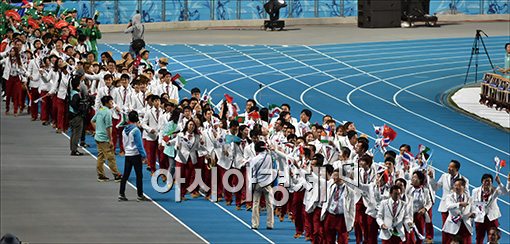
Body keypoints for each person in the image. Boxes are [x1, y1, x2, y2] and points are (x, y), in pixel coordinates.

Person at [119, 110, 149, 202]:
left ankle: (121, 194)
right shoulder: (136, 131)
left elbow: (123, 143)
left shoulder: (124, 130)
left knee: (125, 175)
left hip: (128, 154)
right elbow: (139, 145)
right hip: (135, 155)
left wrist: (126, 150)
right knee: (139, 175)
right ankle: (140, 195)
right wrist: (144, 156)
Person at [91, 95, 122, 182]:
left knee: (101, 156)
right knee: (110, 157)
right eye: (111, 102)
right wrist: (110, 139)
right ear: (107, 103)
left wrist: (97, 130)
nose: (112, 103)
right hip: (104, 138)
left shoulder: (100, 110)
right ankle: (116, 175)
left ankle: (101, 175)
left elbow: (92, 121)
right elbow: (109, 127)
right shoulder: (108, 112)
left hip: (98, 137)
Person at [472, 174, 507, 244]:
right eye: (486, 181)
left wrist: (499, 182)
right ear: (482, 181)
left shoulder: (495, 190)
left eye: (489, 181)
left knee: (493, 238)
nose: (487, 183)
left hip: (492, 217)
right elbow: (473, 203)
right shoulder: (475, 191)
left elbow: (505, 192)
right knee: (479, 238)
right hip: (480, 218)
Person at [250, 141, 275, 230]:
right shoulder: (270, 157)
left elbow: (252, 173)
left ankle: (255, 224)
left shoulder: (254, 159)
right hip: (268, 183)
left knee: (256, 204)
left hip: (258, 183)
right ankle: (270, 224)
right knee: (270, 204)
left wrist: (251, 186)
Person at [442, 178, 475, 244]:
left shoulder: (469, 198)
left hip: (465, 226)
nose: (456, 187)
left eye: (459, 186)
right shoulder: (449, 197)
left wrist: (473, 214)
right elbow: (448, 206)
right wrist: (459, 204)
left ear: (464, 187)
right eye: (455, 185)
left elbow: (473, 210)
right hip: (452, 226)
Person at [68, 76, 85, 156]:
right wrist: (79, 110)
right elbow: (74, 104)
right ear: (78, 85)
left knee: (73, 133)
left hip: (71, 115)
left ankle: (73, 149)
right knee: (77, 133)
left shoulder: (71, 92)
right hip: (76, 116)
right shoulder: (76, 94)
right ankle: (74, 150)